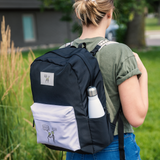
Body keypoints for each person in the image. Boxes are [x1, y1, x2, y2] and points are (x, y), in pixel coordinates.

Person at [65, 0, 148, 159]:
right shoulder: (119, 52)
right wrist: (143, 73)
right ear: (109, 14)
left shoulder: (64, 52)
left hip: (74, 149)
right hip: (114, 148)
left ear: (78, 14)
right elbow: (136, 118)